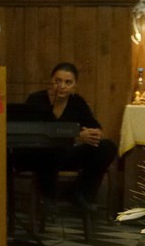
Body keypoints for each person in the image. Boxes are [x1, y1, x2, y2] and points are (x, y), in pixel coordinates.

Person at [21, 62, 118, 208]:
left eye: (68, 82)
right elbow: (34, 131)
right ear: (51, 81)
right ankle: (48, 201)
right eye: (58, 81)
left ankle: (82, 194)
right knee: (49, 149)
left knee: (108, 147)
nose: (62, 86)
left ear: (74, 86)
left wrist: (92, 135)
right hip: (43, 154)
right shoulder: (37, 99)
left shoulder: (77, 102)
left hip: (68, 153)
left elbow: (96, 129)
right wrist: (75, 136)